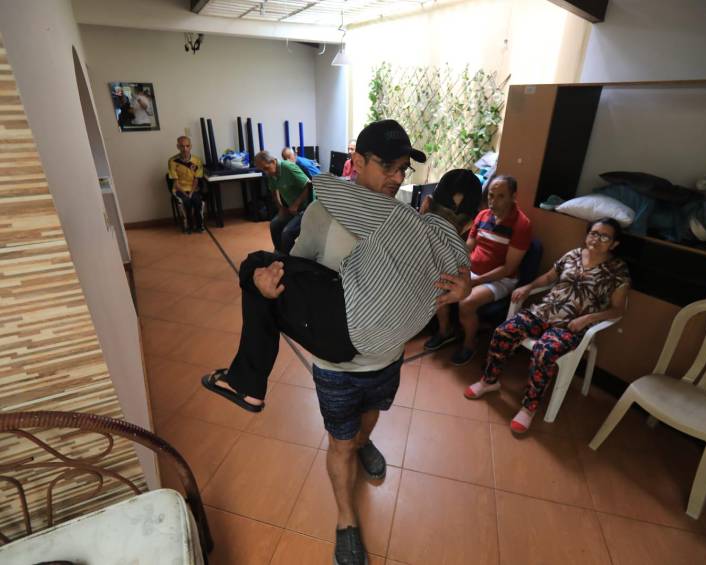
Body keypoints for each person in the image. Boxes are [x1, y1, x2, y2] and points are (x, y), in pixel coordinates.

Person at [202, 120, 478, 565]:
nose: (395, 177)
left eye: (403, 169)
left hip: (389, 359)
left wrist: (463, 288)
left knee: (367, 422)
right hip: (337, 365)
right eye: (386, 166)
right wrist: (269, 283)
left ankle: (361, 440)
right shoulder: (322, 212)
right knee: (339, 443)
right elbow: (295, 269)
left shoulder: (409, 221)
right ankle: (346, 519)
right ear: (359, 162)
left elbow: (447, 269)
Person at [464, 217, 630, 434]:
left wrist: (588, 319)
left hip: (572, 325)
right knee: (504, 331)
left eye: (604, 236)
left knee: (545, 351)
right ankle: (489, 380)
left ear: (614, 243)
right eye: (594, 233)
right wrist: (528, 286)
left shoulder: (618, 270)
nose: (597, 239)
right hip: (544, 312)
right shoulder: (573, 255)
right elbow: (550, 277)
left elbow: (618, 309)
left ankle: (529, 406)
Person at [425, 175, 532, 365]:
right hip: (473, 272)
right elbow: (468, 247)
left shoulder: (522, 225)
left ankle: (469, 344)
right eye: (491, 195)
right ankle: (445, 331)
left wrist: (475, 281)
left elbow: (508, 268)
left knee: (467, 302)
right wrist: (452, 263)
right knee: (436, 286)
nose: (493, 201)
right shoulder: (482, 216)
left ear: (513, 197)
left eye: (501, 196)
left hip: (501, 280)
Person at [255, 150, 312, 254]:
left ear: (273, 161)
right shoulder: (271, 174)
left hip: (307, 208)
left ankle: (293, 260)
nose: (266, 172)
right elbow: (273, 191)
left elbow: (309, 185)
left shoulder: (288, 167)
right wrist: (280, 208)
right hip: (292, 208)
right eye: (263, 170)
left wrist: (296, 204)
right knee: (274, 225)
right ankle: (281, 253)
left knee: (287, 233)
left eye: (266, 168)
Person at [167, 136, 205, 233]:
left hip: (193, 188)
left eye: (187, 146)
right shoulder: (172, 161)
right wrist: (185, 194)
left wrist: (191, 193)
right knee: (185, 202)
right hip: (179, 189)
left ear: (191, 146)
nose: (185, 149)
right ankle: (188, 226)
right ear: (178, 146)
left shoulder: (197, 160)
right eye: (182, 146)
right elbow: (175, 183)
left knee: (197, 201)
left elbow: (196, 179)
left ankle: (200, 226)